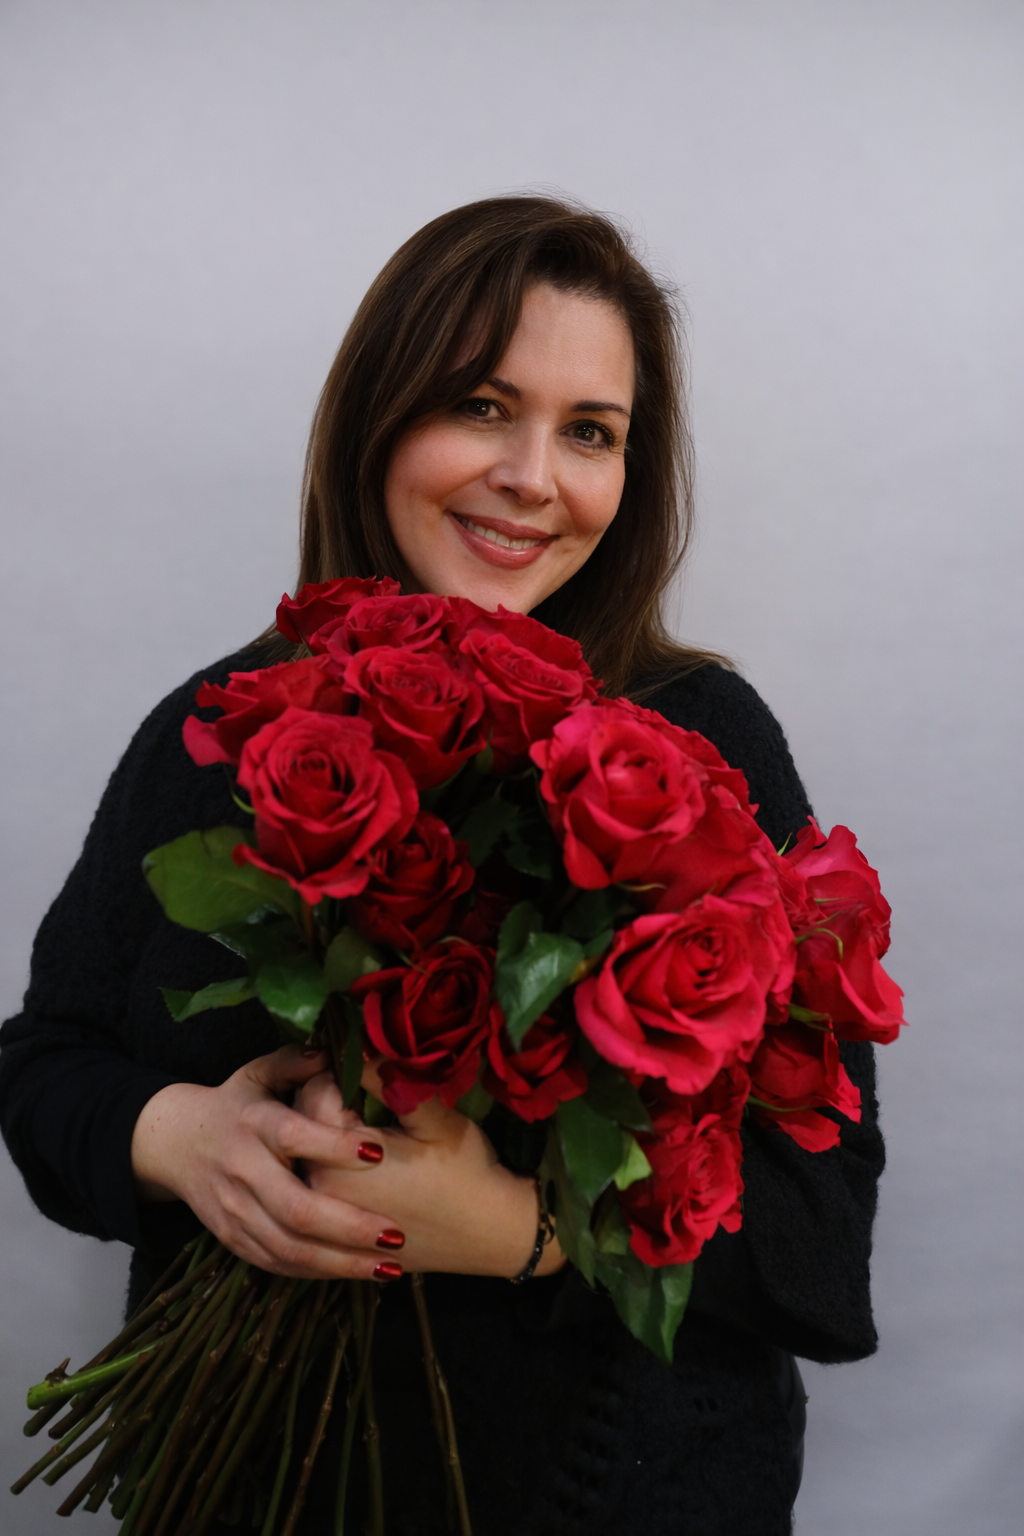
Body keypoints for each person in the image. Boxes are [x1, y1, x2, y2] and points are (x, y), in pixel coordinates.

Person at [0, 196, 884, 1535]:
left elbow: (822, 1224)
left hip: (623, 1501)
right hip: (246, 1496)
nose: (533, 476)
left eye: (590, 432)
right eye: (481, 406)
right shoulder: (226, 729)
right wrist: (179, 1138)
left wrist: (527, 1231)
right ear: (378, 417)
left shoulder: (700, 745)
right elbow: (46, 1061)